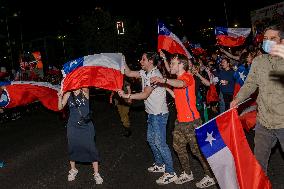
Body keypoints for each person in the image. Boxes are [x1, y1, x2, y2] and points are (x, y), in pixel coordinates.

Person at [151, 53, 215, 188]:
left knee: (197, 151)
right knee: (178, 147)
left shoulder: (187, 77)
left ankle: (210, 176)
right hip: (180, 121)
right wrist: (166, 87)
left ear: (181, 65)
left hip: (192, 121)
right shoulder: (178, 78)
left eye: (173, 63)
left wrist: (164, 80)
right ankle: (187, 173)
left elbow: (181, 84)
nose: (170, 66)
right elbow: (177, 95)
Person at [230, 25, 284, 175]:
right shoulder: (259, 61)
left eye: (273, 39)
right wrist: (237, 99)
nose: (268, 42)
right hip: (264, 122)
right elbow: (250, 84)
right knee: (258, 162)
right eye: (265, 39)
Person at [118, 52, 177, 185]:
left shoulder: (155, 75)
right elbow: (128, 73)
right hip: (151, 113)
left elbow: (145, 95)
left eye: (143, 59)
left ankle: (171, 172)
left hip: (159, 114)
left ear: (150, 61)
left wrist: (127, 96)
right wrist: (122, 59)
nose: (141, 61)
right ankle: (160, 164)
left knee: (160, 143)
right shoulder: (145, 73)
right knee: (151, 140)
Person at [58, 87, 103, 184]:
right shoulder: (68, 94)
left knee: (91, 147)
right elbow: (60, 107)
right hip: (73, 125)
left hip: (86, 125)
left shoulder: (85, 91)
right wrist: (59, 97)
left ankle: (96, 173)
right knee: (73, 146)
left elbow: (85, 86)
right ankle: (73, 169)